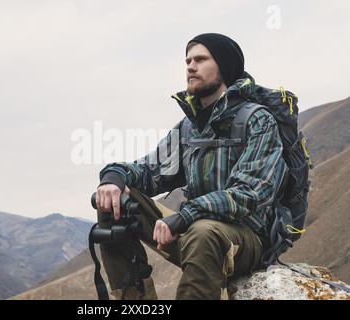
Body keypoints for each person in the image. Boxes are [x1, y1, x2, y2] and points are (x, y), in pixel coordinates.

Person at [95, 33, 287, 300]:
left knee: (203, 231)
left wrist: (186, 216)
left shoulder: (257, 120)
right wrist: (113, 177)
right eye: (187, 60)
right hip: (195, 231)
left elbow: (250, 193)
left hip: (245, 240)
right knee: (114, 202)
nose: (190, 66)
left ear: (224, 65)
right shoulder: (190, 128)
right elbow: (150, 171)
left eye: (200, 59)